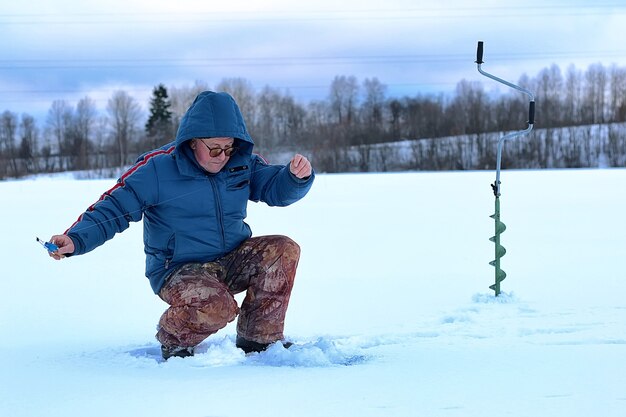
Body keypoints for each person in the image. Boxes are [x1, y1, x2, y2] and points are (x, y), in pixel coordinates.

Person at [48, 91, 314, 359]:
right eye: (215, 148)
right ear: (192, 141)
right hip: (177, 269)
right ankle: (174, 337)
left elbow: (274, 187)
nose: (223, 156)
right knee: (217, 306)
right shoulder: (157, 169)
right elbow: (115, 207)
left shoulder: (241, 164)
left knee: (283, 249)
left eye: (229, 147)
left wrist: (294, 179)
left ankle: (258, 338)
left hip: (231, 259)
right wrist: (76, 239)